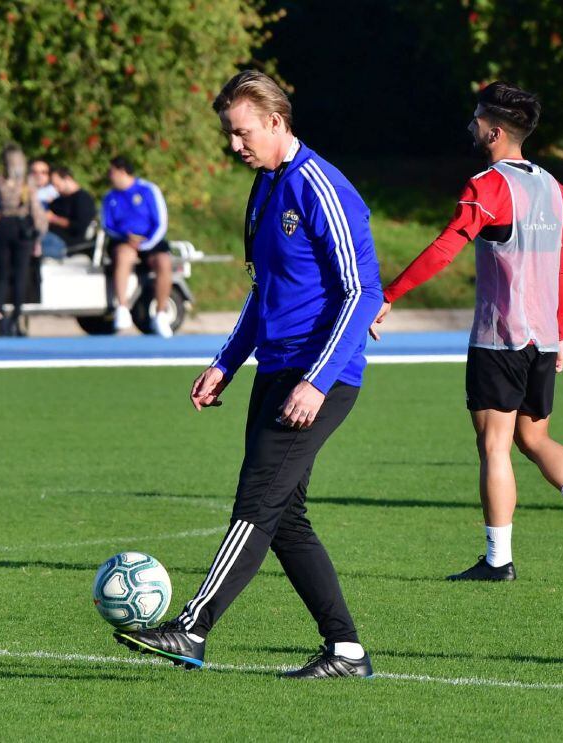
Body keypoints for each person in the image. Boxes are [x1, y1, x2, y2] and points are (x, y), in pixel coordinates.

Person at [114, 70, 384, 678]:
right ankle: (345, 651)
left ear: (276, 123)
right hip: (276, 370)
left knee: (256, 503)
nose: (235, 146)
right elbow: (263, 294)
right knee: (285, 516)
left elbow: (362, 292)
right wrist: (226, 362)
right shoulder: (264, 188)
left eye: (242, 133)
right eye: (228, 135)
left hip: (320, 378)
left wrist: (315, 381)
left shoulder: (321, 187)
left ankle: (192, 628)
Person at [372, 82, 563, 582]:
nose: (471, 126)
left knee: (495, 446)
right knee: (535, 437)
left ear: (496, 131)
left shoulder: (487, 186)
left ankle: (497, 559)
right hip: (545, 339)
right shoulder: (555, 188)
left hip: (500, 337)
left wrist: (389, 293)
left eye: (477, 119)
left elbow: (445, 248)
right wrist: (561, 332)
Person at [102, 156, 173, 337]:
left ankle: (160, 314)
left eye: (112, 172)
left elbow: (161, 222)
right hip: (123, 240)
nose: (109, 176)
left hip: (150, 241)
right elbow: (107, 225)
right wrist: (127, 238)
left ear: (122, 171)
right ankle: (123, 309)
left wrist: (145, 243)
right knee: (123, 255)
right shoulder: (110, 197)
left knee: (164, 262)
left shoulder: (148, 190)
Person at [0, 144, 47, 336]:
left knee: (3, 274)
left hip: (4, 227)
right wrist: (39, 235)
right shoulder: (26, 184)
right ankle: (17, 315)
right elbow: (36, 210)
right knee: (21, 273)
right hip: (22, 229)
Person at [41, 167, 96, 259]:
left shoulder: (83, 199)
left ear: (67, 179)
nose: (55, 188)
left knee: (29, 247)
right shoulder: (58, 200)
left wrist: (53, 218)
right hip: (48, 235)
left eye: (56, 184)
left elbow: (79, 226)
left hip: (66, 243)